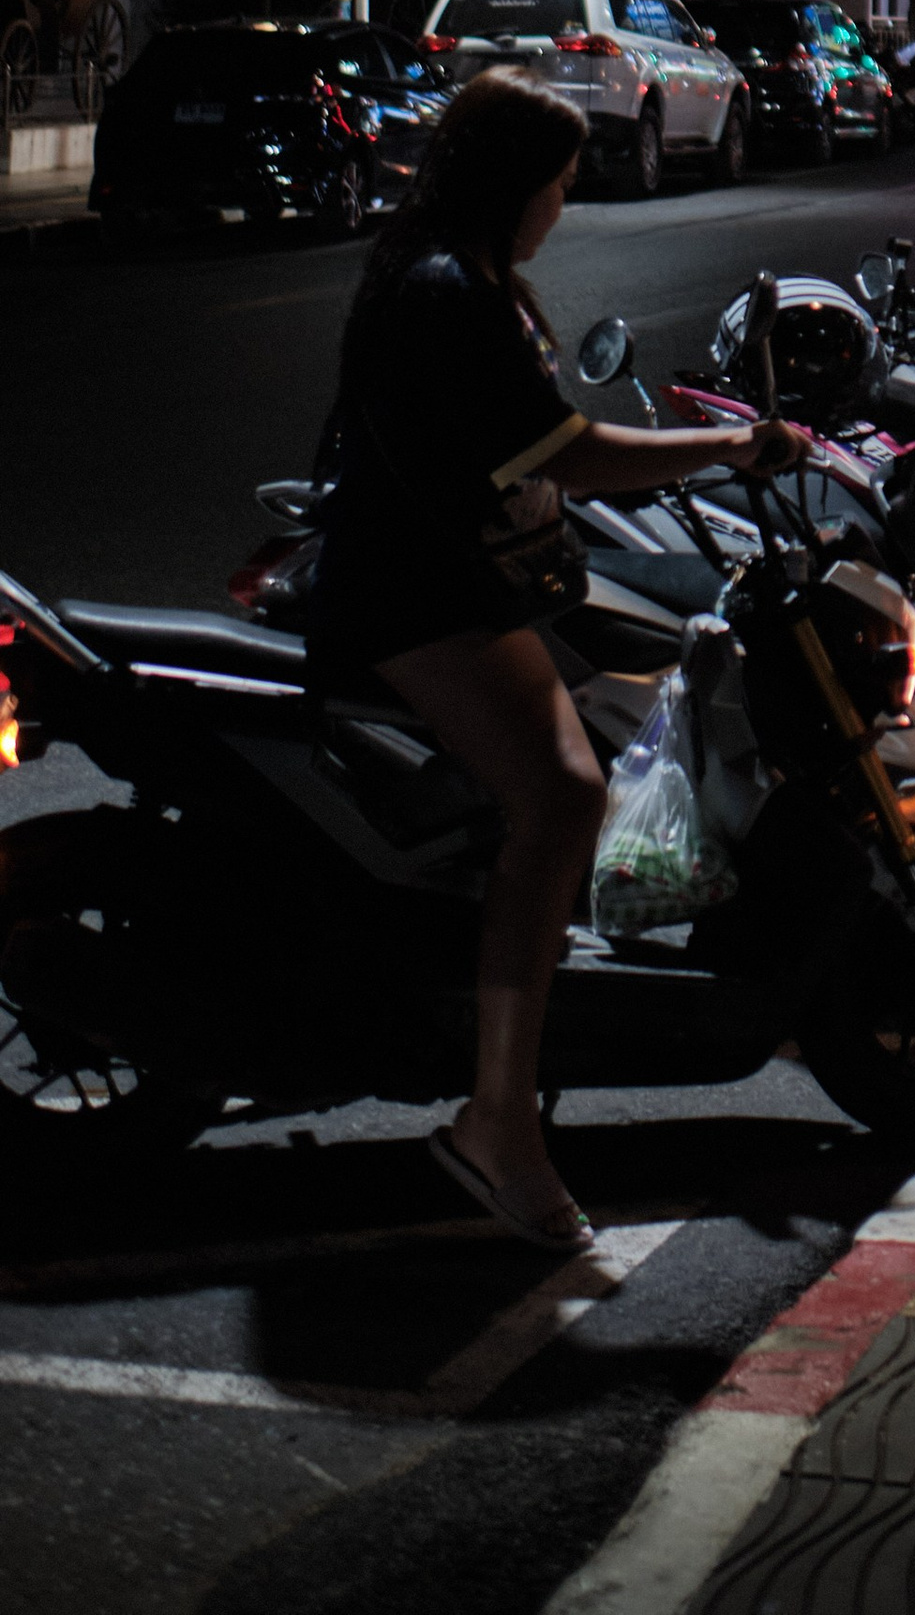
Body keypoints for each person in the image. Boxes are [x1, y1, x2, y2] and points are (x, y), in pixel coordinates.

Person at [307, 70, 792, 1250]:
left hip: (449, 575)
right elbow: (564, 450)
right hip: (414, 597)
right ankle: (498, 1116)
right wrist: (730, 442)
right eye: (559, 183)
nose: (564, 205)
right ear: (511, 185)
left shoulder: (460, 275)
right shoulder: (445, 292)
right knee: (565, 794)